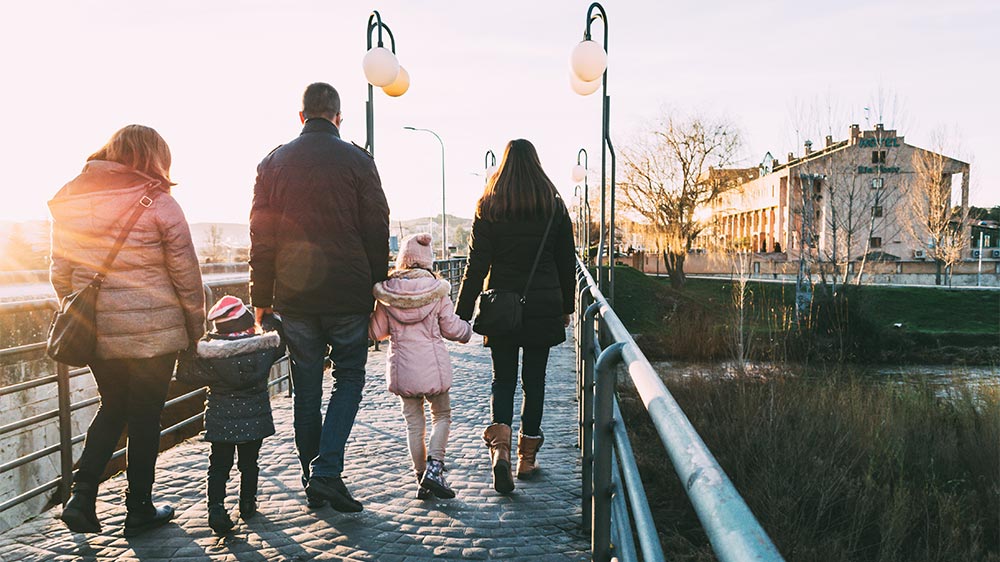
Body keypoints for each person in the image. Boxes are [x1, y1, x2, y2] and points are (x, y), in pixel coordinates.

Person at [50, 125, 205, 535]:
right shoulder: (160, 202)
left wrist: (88, 310)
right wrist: (195, 327)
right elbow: (186, 276)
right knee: (145, 417)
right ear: (154, 157)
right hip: (155, 333)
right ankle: (138, 508)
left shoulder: (72, 201)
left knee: (112, 405)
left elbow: (61, 276)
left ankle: (81, 498)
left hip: (98, 330)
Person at [249, 82, 390, 512]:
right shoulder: (358, 161)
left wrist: (261, 298)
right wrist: (377, 285)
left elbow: (261, 236)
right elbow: (377, 227)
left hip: (294, 296)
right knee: (349, 379)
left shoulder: (273, 163)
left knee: (306, 390)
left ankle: (314, 476)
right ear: (338, 116)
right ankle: (326, 474)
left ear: (301, 116)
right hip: (348, 294)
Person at [455, 139, 575, 494]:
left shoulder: (489, 206)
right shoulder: (553, 206)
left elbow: (475, 266)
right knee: (534, 381)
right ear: (537, 165)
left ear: (504, 166)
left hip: (501, 306)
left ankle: (500, 452)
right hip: (542, 307)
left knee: (502, 380)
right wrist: (567, 307)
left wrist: (462, 313)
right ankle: (527, 459)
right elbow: (566, 262)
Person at [369, 233, 472, 500]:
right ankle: (435, 468)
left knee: (414, 425)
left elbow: (376, 331)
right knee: (442, 416)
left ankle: (420, 478)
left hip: (403, 369)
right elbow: (451, 328)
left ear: (403, 260)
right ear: (427, 262)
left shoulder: (388, 293)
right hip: (433, 367)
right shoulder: (437, 291)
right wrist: (468, 331)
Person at [175, 296, 282, 534]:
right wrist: (269, 320)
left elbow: (185, 375)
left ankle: (216, 507)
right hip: (255, 419)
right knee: (249, 463)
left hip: (221, 421)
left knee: (219, 466)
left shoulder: (211, 357)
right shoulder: (264, 350)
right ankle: (247, 503)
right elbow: (280, 342)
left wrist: (191, 347)